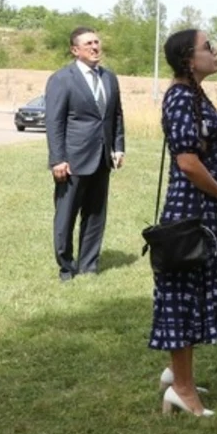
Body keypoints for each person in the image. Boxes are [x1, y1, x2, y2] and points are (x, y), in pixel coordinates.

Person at [150, 29, 217, 417]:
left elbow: (203, 158)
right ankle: (182, 389)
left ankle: (177, 374)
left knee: (192, 294)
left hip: (202, 209)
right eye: (208, 47)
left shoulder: (193, 94)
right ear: (189, 60)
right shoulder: (178, 97)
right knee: (183, 298)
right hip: (189, 212)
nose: (216, 50)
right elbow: (187, 163)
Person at [44, 27, 125, 283]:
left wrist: (118, 147)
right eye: (88, 43)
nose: (94, 47)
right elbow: (54, 121)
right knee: (66, 217)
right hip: (72, 161)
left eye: (97, 42)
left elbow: (116, 116)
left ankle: (89, 266)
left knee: (95, 216)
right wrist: (57, 159)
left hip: (102, 158)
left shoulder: (109, 78)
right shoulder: (62, 79)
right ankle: (66, 268)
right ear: (75, 50)